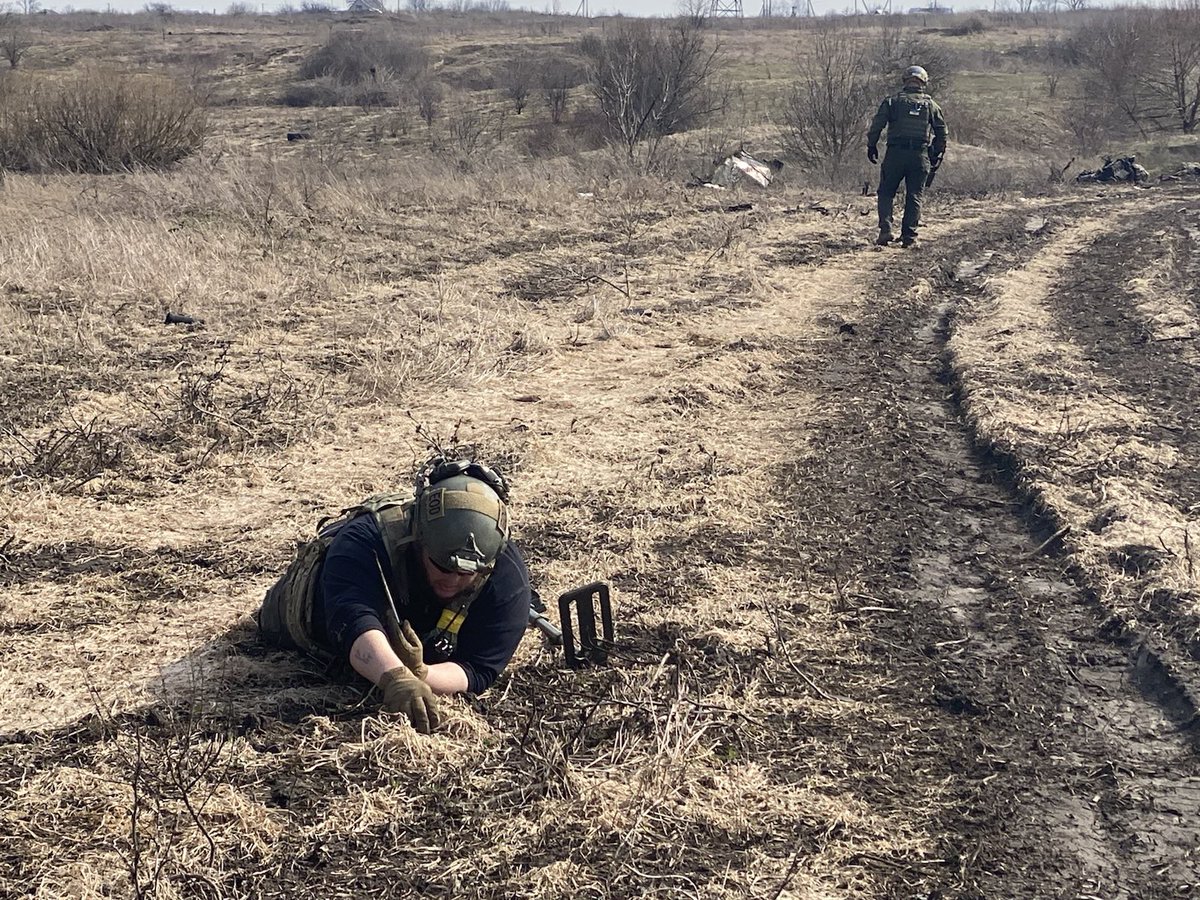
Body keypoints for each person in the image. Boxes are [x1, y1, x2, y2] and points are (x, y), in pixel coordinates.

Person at [257, 458, 532, 734]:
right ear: (419, 539)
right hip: (305, 606)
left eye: (466, 574)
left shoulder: (507, 576)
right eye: (442, 566)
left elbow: (479, 668)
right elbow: (351, 618)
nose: (453, 580)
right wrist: (395, 677)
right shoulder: (365, 540)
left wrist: (424, 674)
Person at [866, 65, 949, 249]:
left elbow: (876, 125)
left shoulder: (892, 102)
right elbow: (942, 133)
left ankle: (885, 230)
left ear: (905, 81)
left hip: (895, 154)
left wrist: (871, 145)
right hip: (919, 155)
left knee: (886, 192)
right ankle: (909, 236)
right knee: (915, 195)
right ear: (923, 82)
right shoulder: (931, 105)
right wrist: (935, 153)